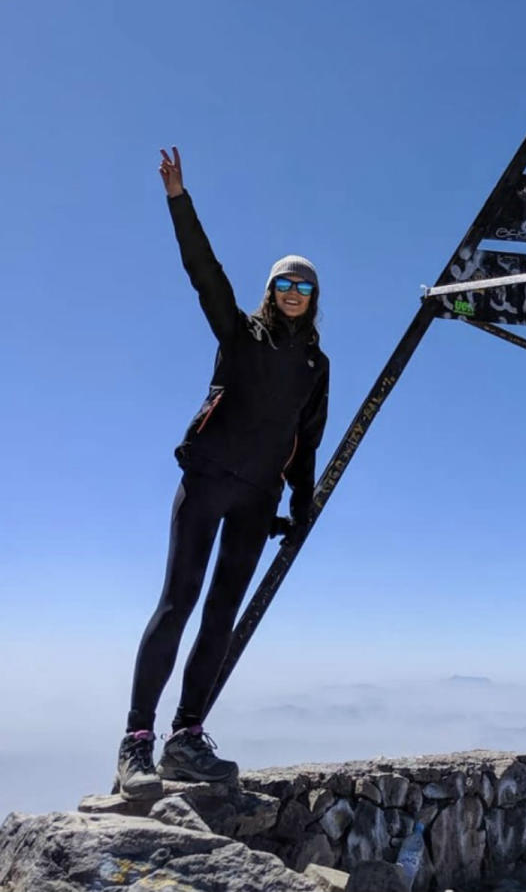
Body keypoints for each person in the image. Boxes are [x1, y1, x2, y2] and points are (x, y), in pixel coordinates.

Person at [115, 146, 330, 801]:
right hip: (208, 480)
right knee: (178, 603)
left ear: (314, 299)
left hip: (259, 497)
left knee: (220, 617)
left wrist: (301, 509)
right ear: (271, 291)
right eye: (284, 284)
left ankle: (186, 739)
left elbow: (308, 439)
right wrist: (179, 200)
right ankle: (135, 744)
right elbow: (202, 271)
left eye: (304, 286)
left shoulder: (316, 366)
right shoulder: (239, 333)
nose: (293, 294)